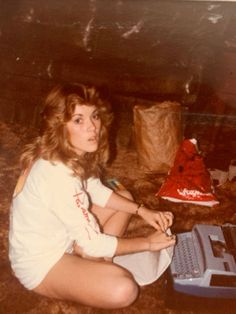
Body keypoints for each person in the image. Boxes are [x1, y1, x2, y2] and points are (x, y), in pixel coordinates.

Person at [9, 83, 176, 309]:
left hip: (64, 238)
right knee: (124, 289)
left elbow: (95, 189)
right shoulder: (56, 175)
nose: (92, 127)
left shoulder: (66, 152)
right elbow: (93, 243)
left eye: (94, 116)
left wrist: (142, 210)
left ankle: (94, 264)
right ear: (59, 125)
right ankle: (94, 265)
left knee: (123, 196)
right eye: (79, 120)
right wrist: (147, 243)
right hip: (43, 265)